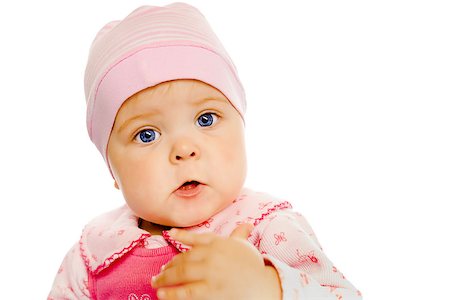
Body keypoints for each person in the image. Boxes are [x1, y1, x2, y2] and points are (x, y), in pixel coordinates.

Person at [48, 3, 362, 299]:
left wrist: (266, 287)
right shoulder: (92, 256)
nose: (184, 150)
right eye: (146, 135)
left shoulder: (267, 229)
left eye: (205, 119)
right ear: (111, 169)